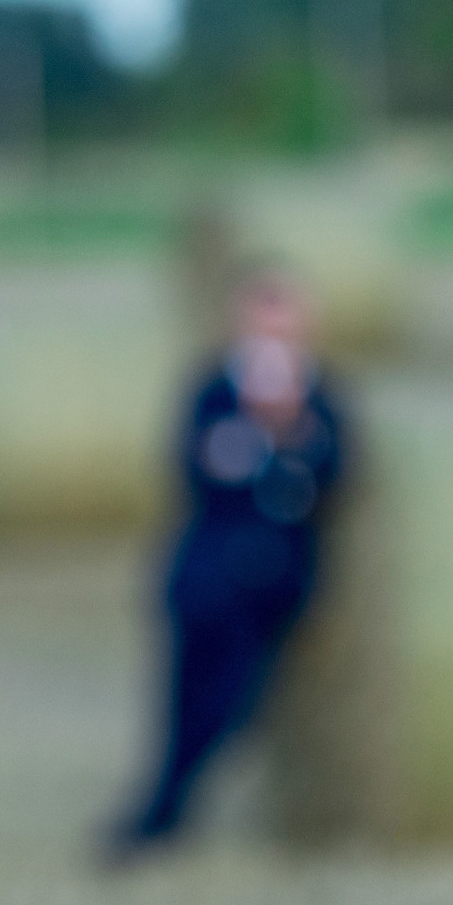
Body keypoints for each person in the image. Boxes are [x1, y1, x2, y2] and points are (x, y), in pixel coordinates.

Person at [107, 267, 342, 858]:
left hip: (273, 584)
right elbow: (196, 469)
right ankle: (163, 807)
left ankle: (162, 812)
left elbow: (331, 475)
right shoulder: (212, 390)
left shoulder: (322, 401)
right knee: (186, 697)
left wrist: (281, 434)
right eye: (261, 329)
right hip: (206, 579)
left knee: (232, 701)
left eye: (284, 330)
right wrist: (265, 439)